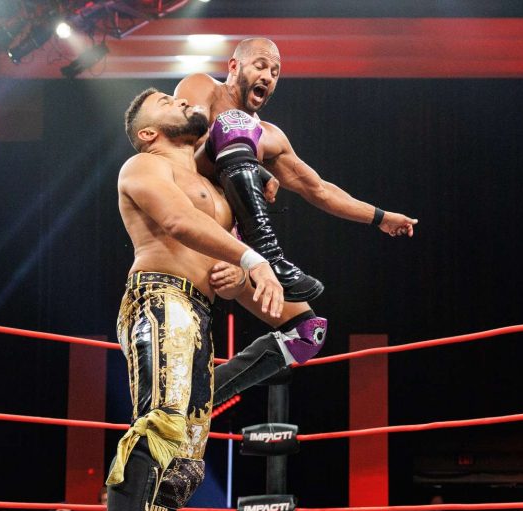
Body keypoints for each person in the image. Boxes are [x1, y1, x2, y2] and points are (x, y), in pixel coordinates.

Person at [81, 88, 283, 511]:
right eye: (164, 100)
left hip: (199, 311)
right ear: (147, 132)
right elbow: (174, 222)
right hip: (159, 296)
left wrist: (235, 273)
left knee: (185, 464)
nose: (178, 99)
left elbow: (224, 261)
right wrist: (250, 258)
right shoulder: (144, 165)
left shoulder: (209, 183)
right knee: (161, 423)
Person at [177, 37, 417, 408]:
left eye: (275, 72)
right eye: (260, 65)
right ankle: (269, 256)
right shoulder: (201, 87)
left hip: (234, 242)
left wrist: (381, 217)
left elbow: (318, 189)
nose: (268, 76)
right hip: (189, 219)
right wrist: (252, 166)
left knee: (306, 333)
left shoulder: (270, 136)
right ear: (234, 66)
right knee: (233, 126)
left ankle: (198, 401)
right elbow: (177, 146)